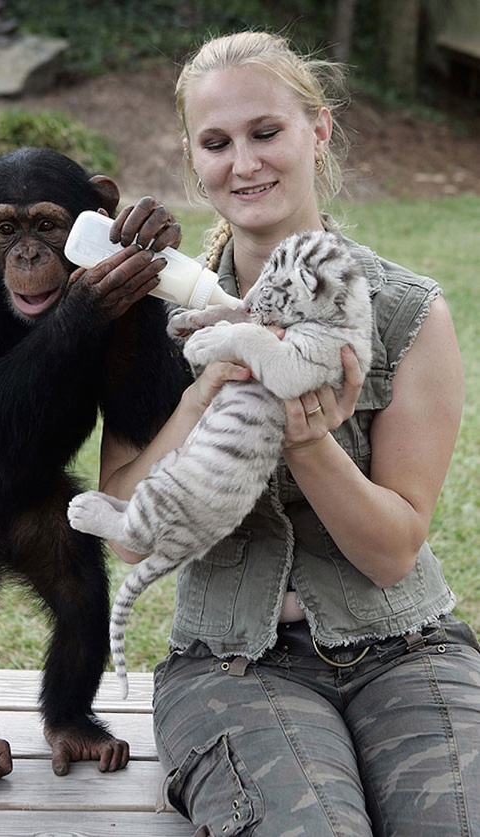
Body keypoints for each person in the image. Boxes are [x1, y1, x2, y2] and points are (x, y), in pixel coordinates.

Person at [99, 31, 480, 836]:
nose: (243, 163)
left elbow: (390, 551)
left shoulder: (407, 313)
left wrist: (307, 442)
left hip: (407, 648)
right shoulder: (154, 323)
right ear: (192, 157)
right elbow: (129, 532)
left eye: (265, 132)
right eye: (216, 142)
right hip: (230, 664)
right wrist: (205, 391)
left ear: (318, 131)